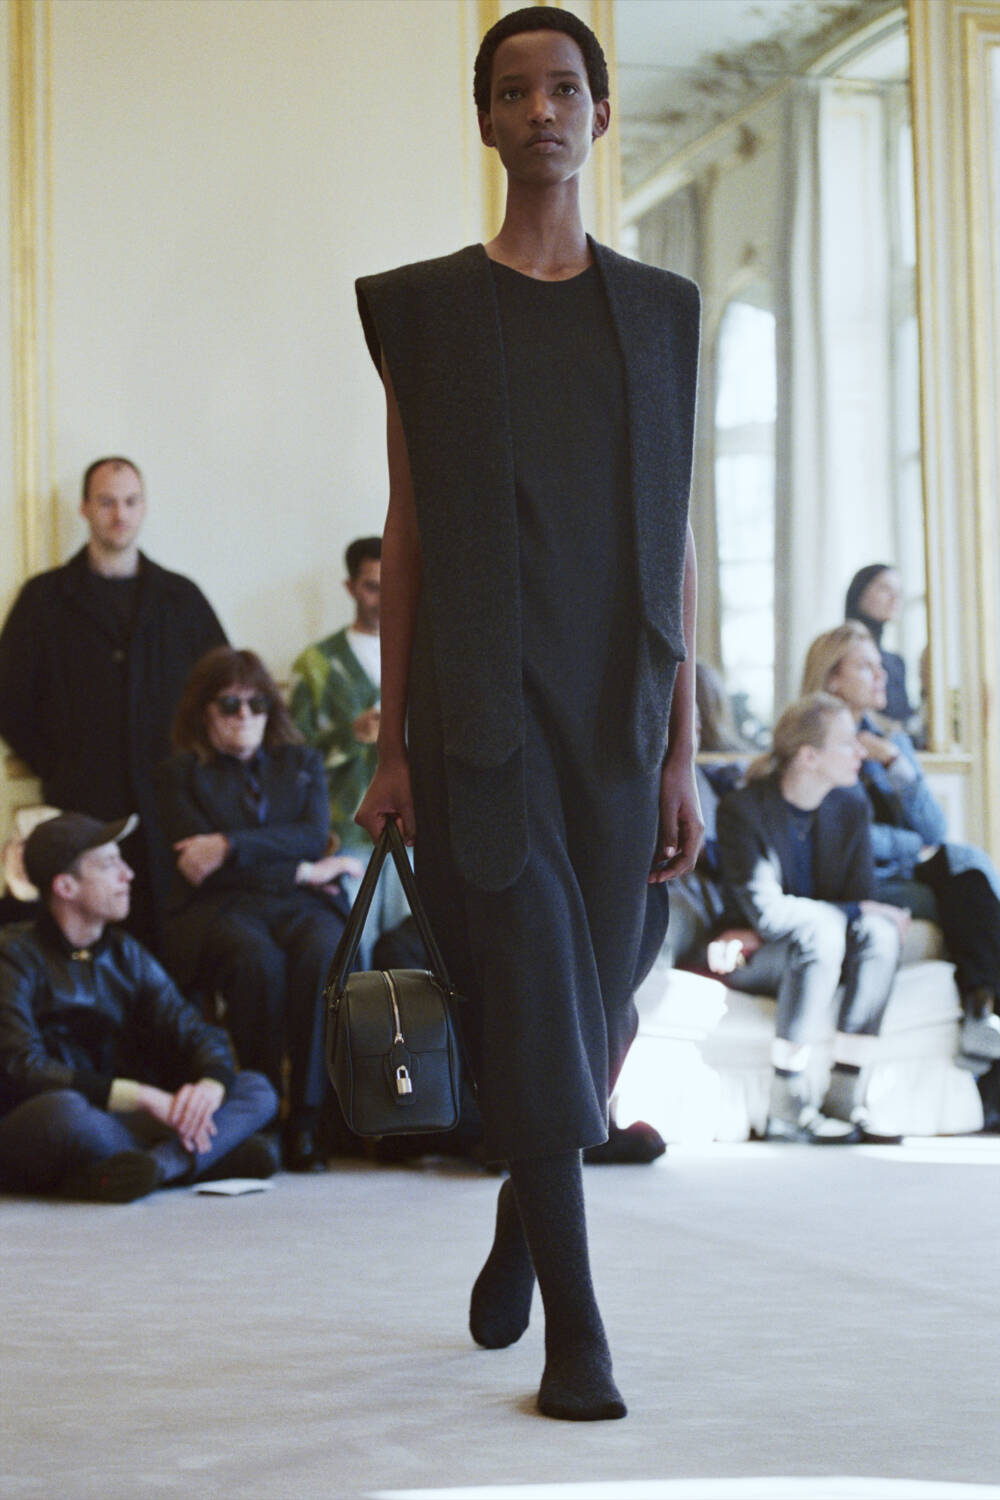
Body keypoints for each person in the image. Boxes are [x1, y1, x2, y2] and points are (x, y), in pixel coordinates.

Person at [353, 7, 702, 1422]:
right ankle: (580, 1334)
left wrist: (685, 750)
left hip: (618, 712)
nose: (542, 110)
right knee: (537, 971)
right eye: (515, 90)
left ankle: (519, 1222)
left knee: (599, 996)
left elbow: (679, 538)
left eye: (565, 88)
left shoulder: (660, 313)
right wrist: (389, 740)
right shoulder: (425, 310)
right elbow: (408, 529)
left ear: (599, 116)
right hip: (479, 715)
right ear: (487, 119)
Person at [0, 456, 227, 952]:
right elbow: (9, 698)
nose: (119, 514)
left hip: (171, 804)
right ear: (85, 508)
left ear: (144, 507)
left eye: (130, 501)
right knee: (88, 940)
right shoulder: (43, 599)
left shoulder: (182, 598)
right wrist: (57, 763)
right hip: (81, 802)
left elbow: (222, 690)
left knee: (173, 939)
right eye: (106, 502)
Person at [0, 812, 278, 1202]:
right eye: (109, 865)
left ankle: (154, 1167)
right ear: (65, 886)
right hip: (43, 1120)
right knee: (64, 1112)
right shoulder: (13, 954)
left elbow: (192, 1029)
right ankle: (203, 1157)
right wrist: (144, 1096)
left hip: (119, 1124)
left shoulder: (126, 954)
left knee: (256, 1089)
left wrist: (210, 1086)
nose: (128, 875)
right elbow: (23, 1066)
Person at [155, 647, 360, 1173]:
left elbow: (311, 834)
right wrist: (300, 869)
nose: (244, 715)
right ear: (203, 711)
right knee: (256, 961)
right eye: (229, 704)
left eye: (257, 703)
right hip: (220, 907)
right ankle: (261, 1112)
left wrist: (228, 843)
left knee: (323, 950)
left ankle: (308, 1119)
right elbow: (198, 869)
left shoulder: (301, 762)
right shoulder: (178, 774)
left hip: (299, 904)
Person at [803, 621, 1000, 1068]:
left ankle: (981, 1012)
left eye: (880, 665)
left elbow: (935, 827)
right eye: (865, 667)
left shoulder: (892, 740)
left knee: (970, 874)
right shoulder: (815, 745)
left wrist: (894, 762)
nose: (882, 676)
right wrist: (910, 847)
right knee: (969, 890)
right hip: (856, 879)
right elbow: (833, 834)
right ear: (832, 678)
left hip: (904, 872)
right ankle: (981, 1013)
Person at [716, 694, 908, 1143]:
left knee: (880, 932)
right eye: (847, 743)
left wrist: (861, 913)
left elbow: (861, 901)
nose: (860, 751)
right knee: (824, 930)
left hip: (824, 947)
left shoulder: (851, 806)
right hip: (757, 954)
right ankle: (787, 1105)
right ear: (808, 756)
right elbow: (768, 914)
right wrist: (854, 912)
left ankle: (845, 1097)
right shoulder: (742, 811)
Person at [291, 535, 408, 966]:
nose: (383, 599)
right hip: (348, 826)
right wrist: (349, 735)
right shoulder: (317, 664)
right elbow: (292, 758)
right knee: (355, 949)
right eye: (372, 587)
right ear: (350, 587)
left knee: (413, 948)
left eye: (392, 586)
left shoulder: (420, 656)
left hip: (414, 826)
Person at [844, 563, 913, 725]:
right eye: (885, 588)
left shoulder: (896, 663)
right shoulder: (839, 650)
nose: (894, 598)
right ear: (860, 592)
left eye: (898, 592)